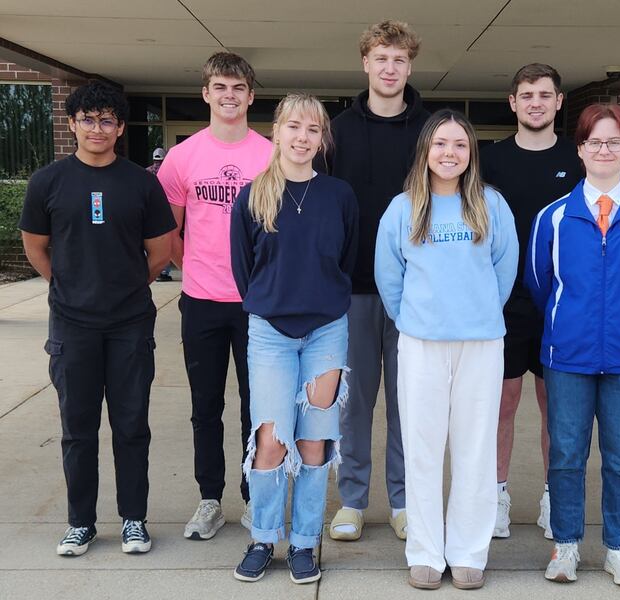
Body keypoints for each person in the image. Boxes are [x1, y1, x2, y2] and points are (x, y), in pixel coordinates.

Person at [19, 81, 176, 556]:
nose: (97, 129)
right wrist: (68, 287)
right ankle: (81, 522)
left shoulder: (141, 182)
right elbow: (35, 246)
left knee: (131, 426)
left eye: (107, 120)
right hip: (72, 324)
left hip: (130, 322)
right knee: (78, 427)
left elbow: (161, 251)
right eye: (87, 119)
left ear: (120, 128)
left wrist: (126, 287)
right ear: (72, 124)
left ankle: (133, 519)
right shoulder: (47, 182)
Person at [526, 104, 620, 587]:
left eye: (614, 142)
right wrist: (572, 321)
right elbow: (539, 281)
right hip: (568, 355)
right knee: (567, 454)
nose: (605, 150)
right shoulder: (553, 217)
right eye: (595, 142)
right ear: (580, 150)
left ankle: (619, 548)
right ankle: (566, 546)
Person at [375, 110, 517, 590]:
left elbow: (504, 272)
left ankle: (468, 551)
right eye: (440, 144)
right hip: (420, 343)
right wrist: (419, 319)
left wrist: (472, 314)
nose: (449, 153)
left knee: (474, 447)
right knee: (422, 446)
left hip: (479, 342)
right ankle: (426, 551)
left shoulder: (491, 205)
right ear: (425, 151)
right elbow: (389, 279)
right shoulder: (402, 208)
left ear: (471, 152)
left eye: (459, 144)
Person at [229, 93, 358, 585]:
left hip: (326, 331)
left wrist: (317, 299)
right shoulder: (253, 194)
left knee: (313, 442)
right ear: (276, 132)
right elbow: (246, 270)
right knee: (271, 440)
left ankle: (304, 543)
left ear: (322, 138)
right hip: (270, 334)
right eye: (293, 128)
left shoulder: (339, 195)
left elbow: (343, 261)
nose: (302, 138)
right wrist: (275, 300)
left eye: (312, 130)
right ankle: (263, 536)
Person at [157, 52, 274, 540]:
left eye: (238, 88)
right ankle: (210, 499)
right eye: (220, 87)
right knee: (206, 405)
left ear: (251, 95)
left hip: (255, 303)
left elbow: (279, 229)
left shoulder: (270, 155)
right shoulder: (184, 156)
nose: (230, 95)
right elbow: (170, 232)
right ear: (206, 93)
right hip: (202, 301)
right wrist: (200, 270)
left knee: (256, 404)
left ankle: (254, 497)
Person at [326, 20, 429, 542]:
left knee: (409, 402)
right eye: (380, 58)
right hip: (354, 290)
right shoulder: (336, 131)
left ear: (410, 66)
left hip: (417, 292)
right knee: (356, 402)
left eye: (399, 60)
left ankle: (406, 500)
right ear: (365, 63)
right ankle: (352, 500)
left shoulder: (432, 131)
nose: (390, 69)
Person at [480, 63, 583, 540]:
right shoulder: (488, 160)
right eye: (527, 94)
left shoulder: (579, 159)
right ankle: (496, 495)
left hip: (562, 303)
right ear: (513, 103)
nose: (536, 102)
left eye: (545, 94)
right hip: (502, 302)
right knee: (502, 404)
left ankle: (551, 496)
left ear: (559, 102)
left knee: (555, 407)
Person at [147, 148, 173, 282]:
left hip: (149, 210)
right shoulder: (169, 171)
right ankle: (163, 271)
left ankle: (155, 270)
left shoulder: (147, 172)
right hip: (166, 208)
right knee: (165, 241)